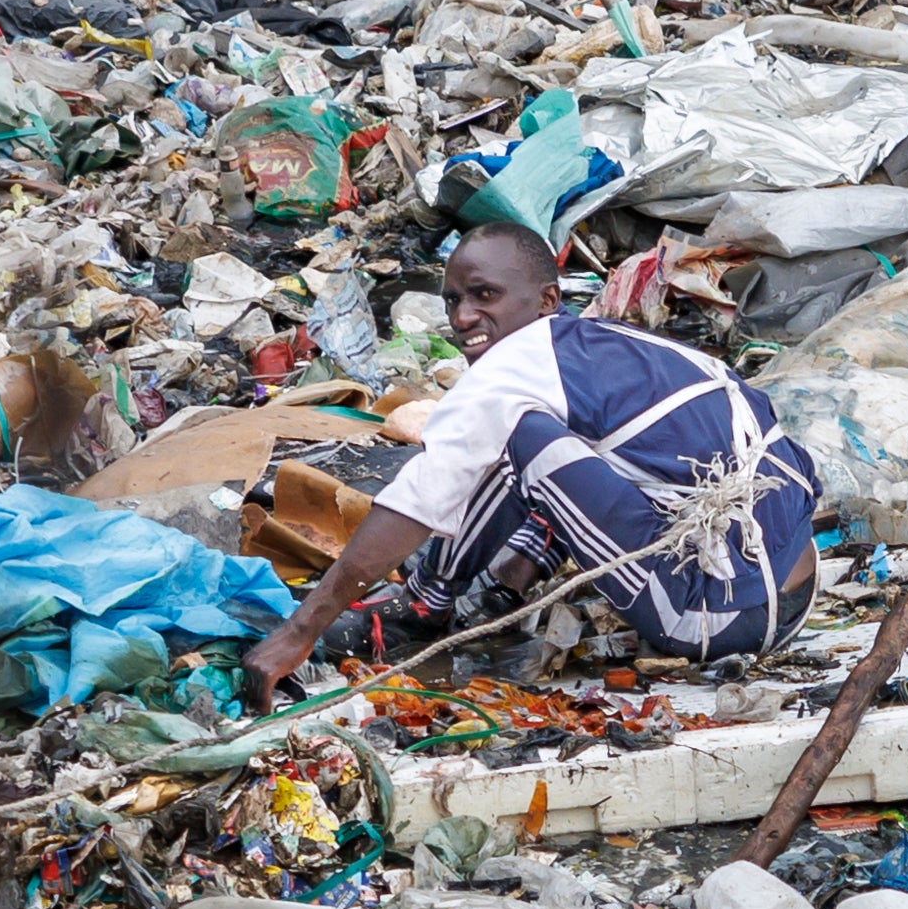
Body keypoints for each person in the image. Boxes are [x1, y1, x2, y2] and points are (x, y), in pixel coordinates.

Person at [239, 223, 824, 703]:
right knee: (539, 439)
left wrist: (300, 630)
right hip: (794, 594)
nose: (463, 317)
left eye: (484, 295)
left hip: (715, 620)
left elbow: (416, 500)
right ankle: (490, 589)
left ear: (547, 300)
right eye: (453, 300)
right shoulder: (612, 347)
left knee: (523, 438)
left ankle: (426, 605)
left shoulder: (510, 371)